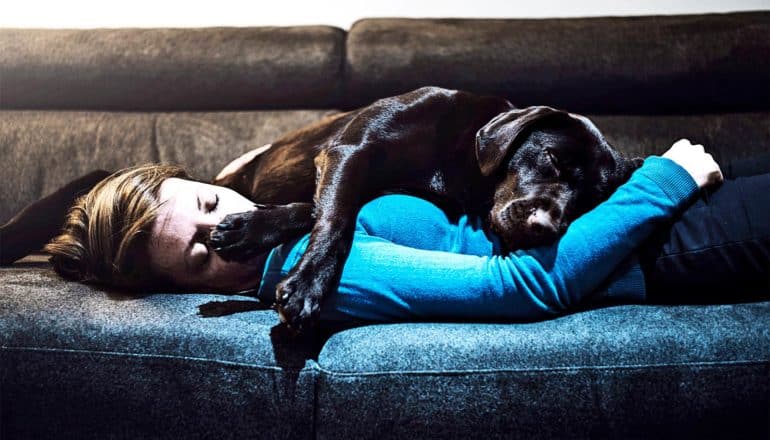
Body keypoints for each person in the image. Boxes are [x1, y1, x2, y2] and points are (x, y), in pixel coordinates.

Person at [44, 140, 769, 324]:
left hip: (619, 206)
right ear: (179, 291)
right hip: (655, 250)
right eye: (200, 254)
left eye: (208, 202)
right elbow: (522, 284)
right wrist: (663, 183)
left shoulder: (297, 210)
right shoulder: (319, 271)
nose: (227, 225)